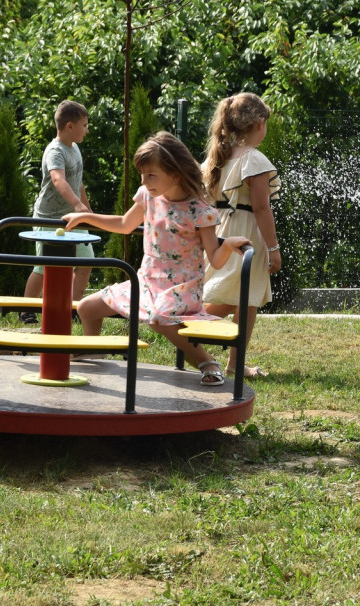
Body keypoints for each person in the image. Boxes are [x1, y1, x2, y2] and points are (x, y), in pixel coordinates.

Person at [63, 132, 250, 386]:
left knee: (158, 319)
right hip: (147, 282)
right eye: (142, 174)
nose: (144, 180)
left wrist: (227, 244)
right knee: (86, 308)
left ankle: (207, 362)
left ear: (175, 173)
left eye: (151, 174)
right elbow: (124, 224)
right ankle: (94, 349)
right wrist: (86, 218)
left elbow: (215, 260)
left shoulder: (200, 210)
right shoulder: (148, 195)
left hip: (182, 288)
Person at [201, 92, 280, 377]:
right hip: (246, 232)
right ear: (260, 122)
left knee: (240, 295)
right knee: (247, 298)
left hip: (222, 229)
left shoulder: (218, 157)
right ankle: (189, 326)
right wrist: (273, 248)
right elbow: (261, 207)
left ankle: (233, 361)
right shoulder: (254, 160)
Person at [20, 100, 92, 323]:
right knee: (43, 268)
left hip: (72, 216)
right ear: (70, 126)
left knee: (86, 262)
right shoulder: (55, 151)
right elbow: (58, 179)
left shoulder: (74, 147)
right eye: (84, 125)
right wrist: (78, 205)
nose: (87, 130)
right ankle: (26, 311)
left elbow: (76, 181)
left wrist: (85, 208)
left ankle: (70, 309)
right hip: (50, 218)